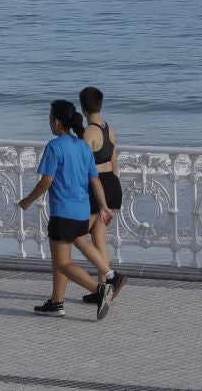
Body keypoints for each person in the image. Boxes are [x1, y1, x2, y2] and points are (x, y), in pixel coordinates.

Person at [18, 99, 115, 320]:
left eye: (49, 118)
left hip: (63, 212)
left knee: (62, 263)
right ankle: (56, 302)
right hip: (82, 212)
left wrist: (28, 200)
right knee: (61, 259)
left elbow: (46, 181)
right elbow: (95, 180)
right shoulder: (82, 145)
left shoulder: (55, 146)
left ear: (56, 122)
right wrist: (103, 206)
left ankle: (99, 290)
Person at [79, 86, 127, 305]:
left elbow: (83, 165)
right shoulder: (109, 129)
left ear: (82, 108)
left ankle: (110, 279)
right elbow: (114, 160)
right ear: (100, 105)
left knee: (79, 236)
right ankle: (103, 290)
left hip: (97, 186)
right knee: (99, 239)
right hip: (112, 183)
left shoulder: (90, 132)